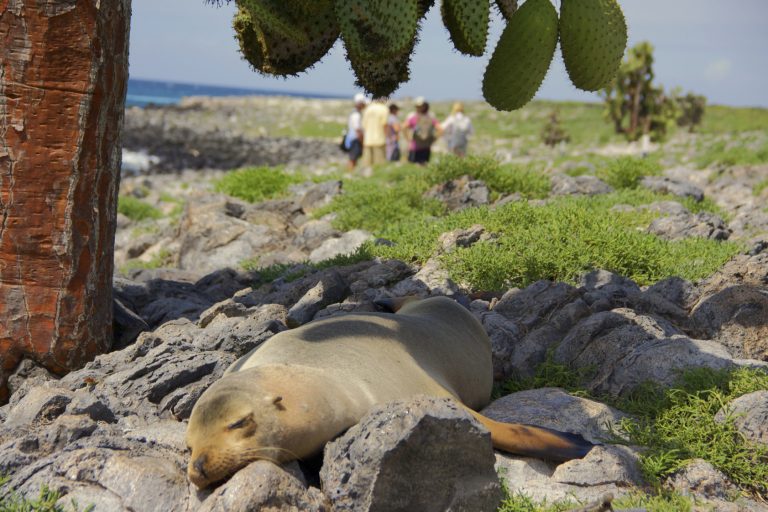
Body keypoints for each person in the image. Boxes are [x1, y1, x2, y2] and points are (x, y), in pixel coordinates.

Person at [405, 97, 441, 165]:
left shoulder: (413, 117)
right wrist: (434, 139)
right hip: (426, 146)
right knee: (424, 166)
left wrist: (407, 139)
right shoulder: (431, 117)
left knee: (413, 168)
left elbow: (404, 127)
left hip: (415, 146)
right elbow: (440, 129)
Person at [360, 97, 389, 167]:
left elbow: (363, 125)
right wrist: (387, 138)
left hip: (367, 140)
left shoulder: (368, 109)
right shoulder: (384, 109)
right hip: (379, 140)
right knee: (379, 166)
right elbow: (384, 125)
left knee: (366, 165)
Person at [344, 93, 366, 171]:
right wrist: (362, 141)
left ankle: (349, 173)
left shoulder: (355, 113)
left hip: (353, 138)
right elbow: (358, 130)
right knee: (353, 159)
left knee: (353, 158)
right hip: (355, 139)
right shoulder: (356, 114)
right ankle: (349, 174)